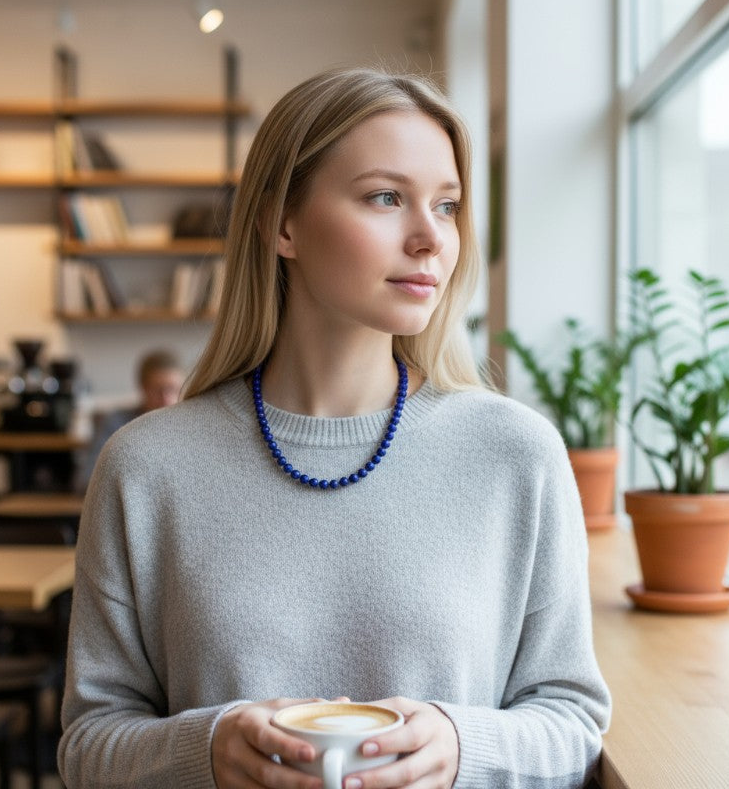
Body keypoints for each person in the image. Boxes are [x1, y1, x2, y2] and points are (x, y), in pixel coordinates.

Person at [59, 68, 611, 789]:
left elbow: (572, 722)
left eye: (446, 206)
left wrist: (461, 746)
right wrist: (208, 751)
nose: (429, 240)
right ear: (281, 223)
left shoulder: (516, 455)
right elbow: (88, 745)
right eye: (386, 197)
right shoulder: (145, 467)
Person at [75, 349, 184, 492]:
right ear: (143, 388)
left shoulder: (190, 427)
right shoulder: (116, 423)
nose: (166, 399)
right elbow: (87, 478)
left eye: (173, 389)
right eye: (158, 390)